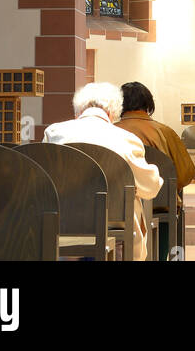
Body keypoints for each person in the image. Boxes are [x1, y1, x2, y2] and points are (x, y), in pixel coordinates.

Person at [43, 81, 162, 260]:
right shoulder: (126, 140)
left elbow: (42, 181)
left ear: (78, 110)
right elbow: (150, 188)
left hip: (63, 226)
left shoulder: (54, 133)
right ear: (113, 112)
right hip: (114, 229)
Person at [117, 82, 195, 262]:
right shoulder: (164, 132)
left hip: (117, 207)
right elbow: (185, 173)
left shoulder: (112, 131)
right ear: (149, 105)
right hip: (159, 205)